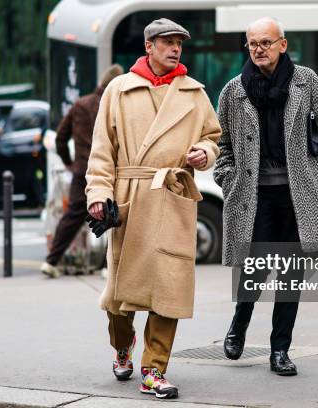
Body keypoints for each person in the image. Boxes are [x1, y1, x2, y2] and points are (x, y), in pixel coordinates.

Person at [85, 18, 221, 399]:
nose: (175, 48)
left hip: (172, 195)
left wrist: (204, 153)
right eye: (167, 42)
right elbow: (102, 150)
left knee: (169, 289)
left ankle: (154, 369)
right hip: (130, 197)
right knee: (119, 298)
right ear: (149, 47)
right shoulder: (119, 89)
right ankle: (122, 345)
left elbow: (213, 137)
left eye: (179, 42)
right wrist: (98, 192)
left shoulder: (194, 93)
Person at [214, 18, 318, 376]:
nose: (259, 49)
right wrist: (227, 178)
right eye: (253, 43)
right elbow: (221, 144)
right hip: (254, 196)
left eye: (266, 42)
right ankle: (239, 325)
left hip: (298, 194)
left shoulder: (307, 81)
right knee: (254, 270)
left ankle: (280, 350)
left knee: (290, 276)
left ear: (282, 45)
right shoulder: (233, 91)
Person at [40, 64, 124, 278]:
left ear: (100, 83)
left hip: (82, 170)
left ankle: (51, 261)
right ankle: (108, 266)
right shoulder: (116, 105)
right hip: (108, 170)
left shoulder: (80, 105)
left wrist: (69, 162)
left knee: (73, 216)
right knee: (113, 215)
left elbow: (60, 138)